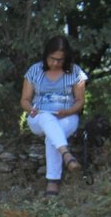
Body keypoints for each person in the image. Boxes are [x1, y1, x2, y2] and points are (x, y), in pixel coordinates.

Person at [20, 35, 88, 197]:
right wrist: (31, 109)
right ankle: (67, 155)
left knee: (52, 136)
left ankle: (52, 182)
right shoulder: (34, 71)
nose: (56, 63)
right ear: (46, 55)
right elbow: (24, 100)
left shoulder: (75, 72)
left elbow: (79, 101)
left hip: (67, 117)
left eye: (60, 60)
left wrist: (69, 111)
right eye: (52, 59)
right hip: (38, 117)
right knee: (45, 117)